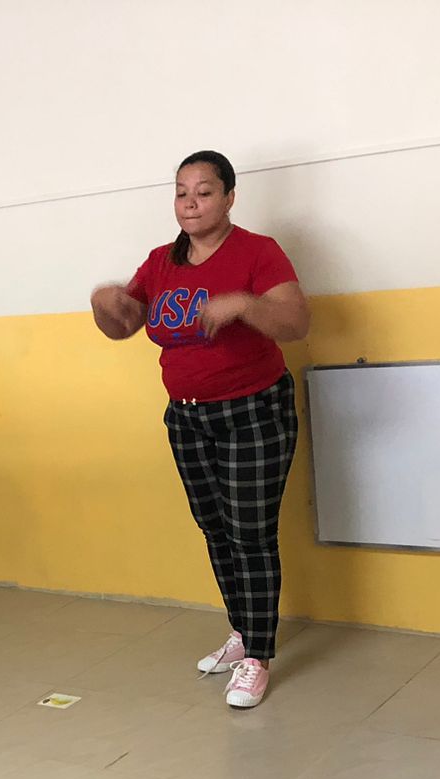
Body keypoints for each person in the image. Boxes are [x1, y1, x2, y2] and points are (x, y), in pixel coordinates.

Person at [90, 150, 310, 709]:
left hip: (254, 411)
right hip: (187, 416)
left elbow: (296, 323)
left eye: (205, 192)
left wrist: (244, 304)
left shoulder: (258, 252)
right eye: (182, 193)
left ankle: (258, 655)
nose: (191, 203)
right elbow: (123, 326)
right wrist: (104, 303)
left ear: (229, 198)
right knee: (215, 529)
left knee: (250, 533)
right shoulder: (161, 262)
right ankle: (243, 629)